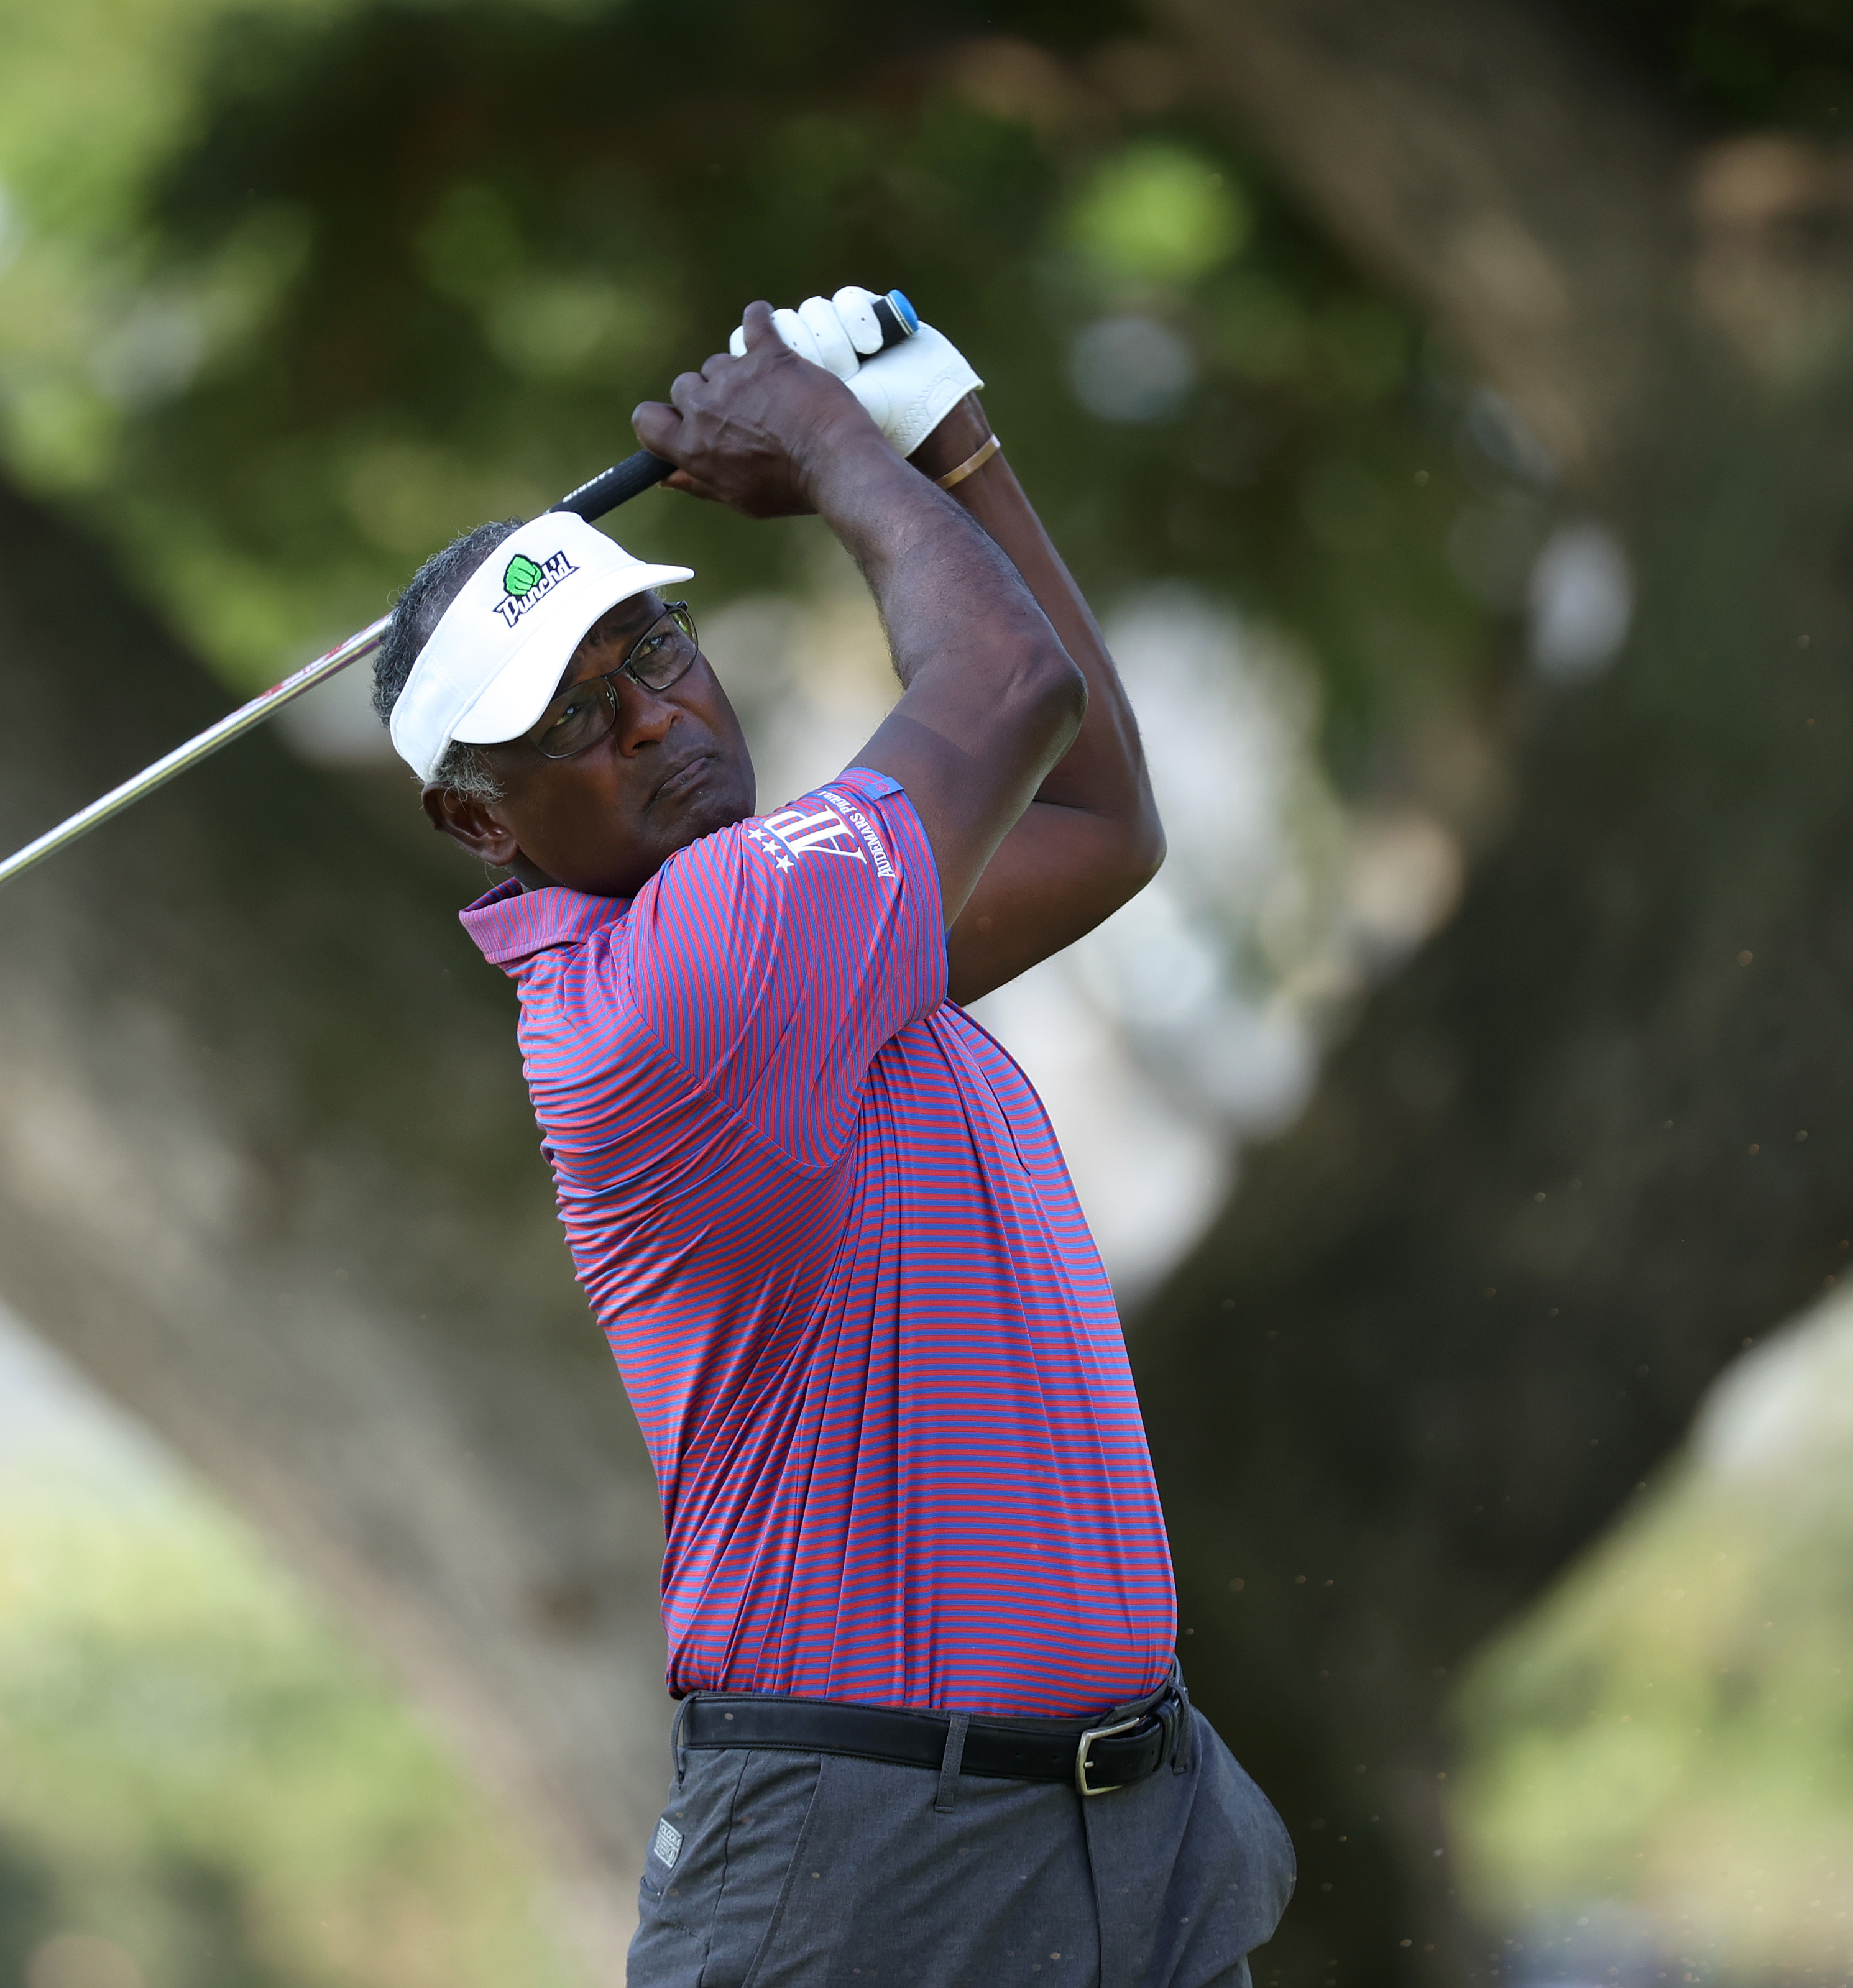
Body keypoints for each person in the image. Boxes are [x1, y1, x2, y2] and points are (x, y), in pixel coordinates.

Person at [369, 296, 1293, 1985]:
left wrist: (958, 448)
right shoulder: (681, 981)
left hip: (1125, 1834)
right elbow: (1008, 690)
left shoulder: (818, 946)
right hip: (870, 1873)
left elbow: (1096, 817)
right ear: (479, 821)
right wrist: (843, 444)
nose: (652, 716)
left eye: (651, 651)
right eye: (571, 718)